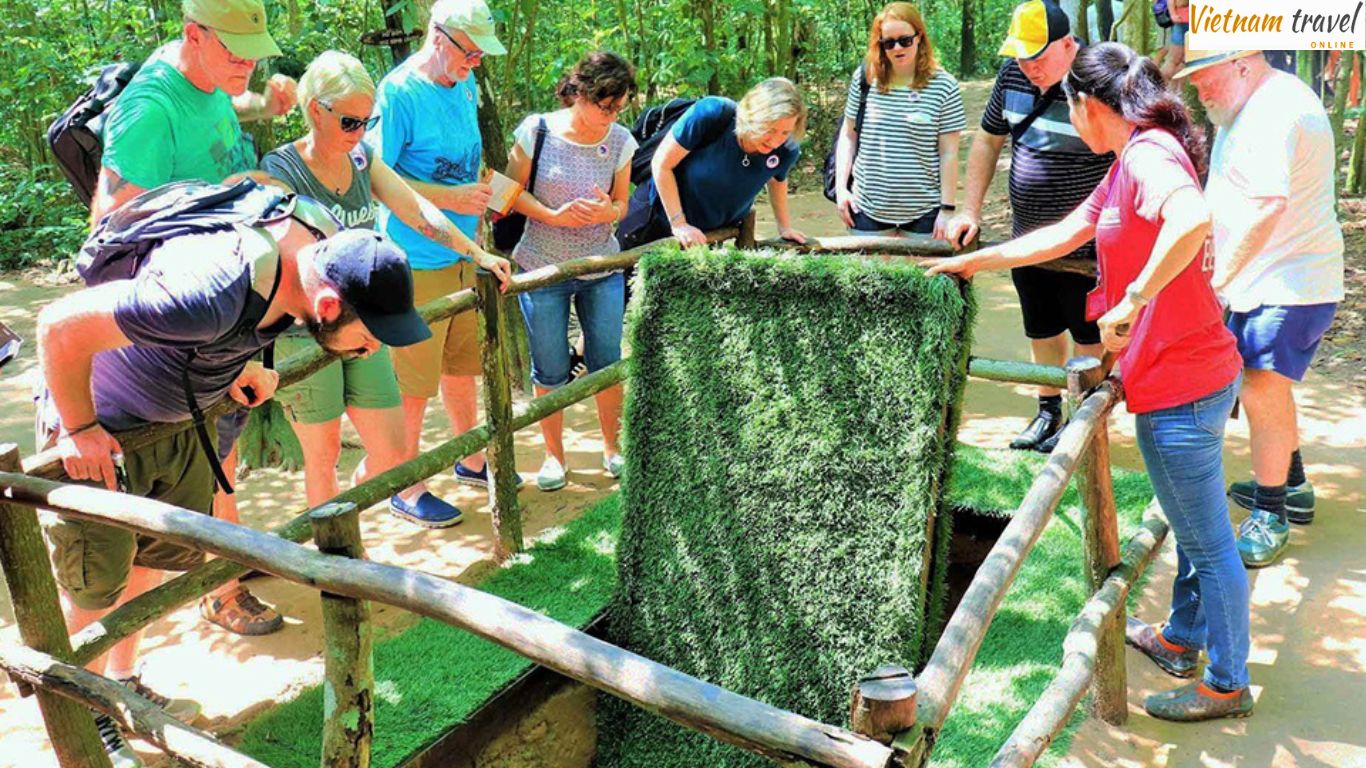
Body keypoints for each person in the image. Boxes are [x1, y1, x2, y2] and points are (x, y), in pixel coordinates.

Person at [38, 189, 431, 765]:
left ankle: (119, 685)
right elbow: (58, 325)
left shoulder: (310, 254)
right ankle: (82, 717)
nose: (369, 349)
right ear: (327, 308)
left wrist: (233, 368)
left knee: (152, 561)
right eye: (367, 337)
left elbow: (239, 326)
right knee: (96, 586)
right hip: (104, 427)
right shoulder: (209, 293)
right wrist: (78, 427)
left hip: (177, 421)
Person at [930, 43, 1251, 722]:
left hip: (1181, 383)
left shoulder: (1149, 155)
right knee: (1196, 528)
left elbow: (1191, 219)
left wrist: (1132, 299)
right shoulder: (1129, 159)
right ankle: (1181, 638)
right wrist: (977, 261)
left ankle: (1226, 683)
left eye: (1067, 105)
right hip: (1189, 373)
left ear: (1087, 105)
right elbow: (1062, 234)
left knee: (1208, 544)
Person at [90, 0, 296, 638]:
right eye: (235, 51)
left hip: (222, 319)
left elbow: (215, 109)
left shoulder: (205, 78)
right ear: (193, 35)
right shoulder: (147, 111)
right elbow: (107, 228)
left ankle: (221, 572)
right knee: (196, 470)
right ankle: (219, 589)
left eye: (254, 50)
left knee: (219, 461)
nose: (248, 63)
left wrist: (261, 103)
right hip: (179, 328)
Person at [261, 51, 510, 525]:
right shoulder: (281, 171)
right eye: (351, 121)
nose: (360, 132)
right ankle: (338, 562)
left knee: (390, 443)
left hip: (364, 322)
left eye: (367, 121)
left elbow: (417, 210)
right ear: (316, 109)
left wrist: (476, 253)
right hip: (308, 326)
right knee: (325, 450)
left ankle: (395, 490)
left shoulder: (361, 156)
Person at [1180, 50, 1344, 566]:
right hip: (1266, 280)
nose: (1199, 90)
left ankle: (1271, 514)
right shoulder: (1244, 105)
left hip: (1288, 281)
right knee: (1268, 389)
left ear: (1243, 64)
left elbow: (1269, 205)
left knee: (1259, 388)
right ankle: (1291, 485)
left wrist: (1219, 282)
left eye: (1204, 78)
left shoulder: (1275, 110)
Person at [367, 0, 523, 513]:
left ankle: (472, 459)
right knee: (413, 384)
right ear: (439, 37)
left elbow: (465, 162)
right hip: (414, 259)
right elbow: (374, 178)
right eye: (470, 53)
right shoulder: (397, 93)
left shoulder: (465, 82)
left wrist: (478, 196)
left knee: (463, 365)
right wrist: (449, 198)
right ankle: (403, 485)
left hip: (463, 250)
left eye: (480, 56)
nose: (475, 63)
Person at [944, 0, 1112, 454]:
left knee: (1089, 333)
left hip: (1090, 246)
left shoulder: (1097, 80)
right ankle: (1047, 411)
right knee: (1041, 327)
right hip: (1028, 239)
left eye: (1037, 56)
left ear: (1067, 45)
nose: (1027, 66)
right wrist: (969, 211)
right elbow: (987, 140)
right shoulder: (1012, 78)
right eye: (1020, 55)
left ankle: (1086, 417)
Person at [503, 52, 637, 490]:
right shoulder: (536, 130)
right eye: (606, 106)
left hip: (601, 264)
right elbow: (507, 192)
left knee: (606, 360)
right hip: (542, 265)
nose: (612, 116)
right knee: (550, 365)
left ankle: (612, 449)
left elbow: (623, 203)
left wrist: (608, 210)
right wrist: (551, 214)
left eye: (619, 107)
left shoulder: (620, 141)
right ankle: (554, 457)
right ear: (579, 93)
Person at [619, 78, 809, 249]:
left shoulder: (786, 150)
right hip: (652, 220)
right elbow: (662, 163)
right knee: (623, 282)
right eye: (770, 129)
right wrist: (679, 223)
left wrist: (784, 227)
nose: (775, 141)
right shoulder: (712, 113)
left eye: (784, 133)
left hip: (706, 238)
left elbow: (777, 180)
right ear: (754, 115)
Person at [834, 2, 965, 237]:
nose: (897, 48)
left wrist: (947, 208)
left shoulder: (944, 85)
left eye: (905, 40)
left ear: (919, 37)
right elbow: (848, 134)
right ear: (880, 45)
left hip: (925, 209)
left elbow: (949, 152)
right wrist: (841, 189)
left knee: (926, 274)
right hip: (867, 205)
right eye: (888, 43)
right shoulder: (866, 78)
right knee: (869, 275)